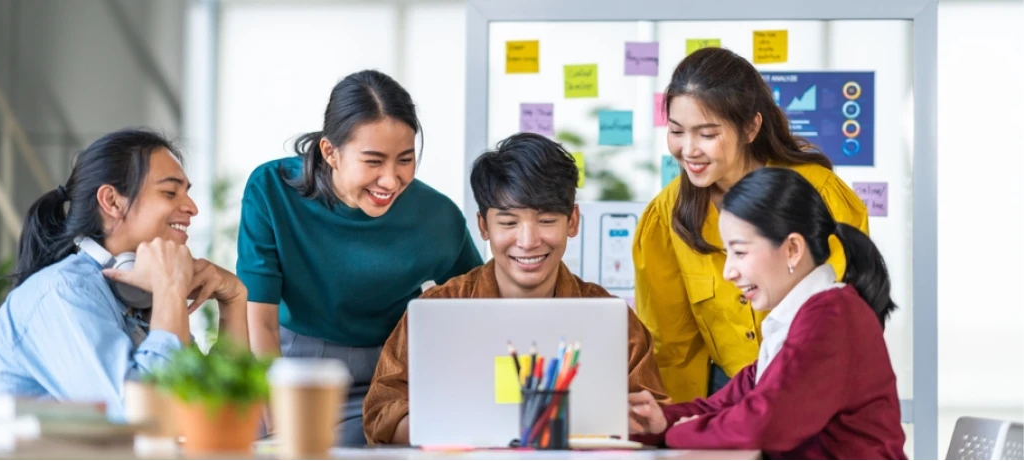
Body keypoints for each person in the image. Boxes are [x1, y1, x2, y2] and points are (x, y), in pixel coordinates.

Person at [362, 132, 671, 446]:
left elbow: (654, 417)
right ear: (483, 226)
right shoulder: (437, 310)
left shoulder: (612, 319)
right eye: (508, 223)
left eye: (547, 220)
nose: (528, 241)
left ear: (573, 221)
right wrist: (449, 431)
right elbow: (381, 412)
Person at [238, 69, 484, 446]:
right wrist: (279, 427)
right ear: (330, 152)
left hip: (384, 379)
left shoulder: (437, 217)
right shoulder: (271, 190)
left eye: (404, 160)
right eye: (373, 161)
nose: (391, 180)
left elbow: (482, 304)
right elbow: (262, 324)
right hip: (287, 369)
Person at [632, 47, 870, 403]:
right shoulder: (666, 215)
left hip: (817, 391)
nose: (689, 150)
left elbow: (848, 316)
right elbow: (673, 350)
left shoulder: (817, 194)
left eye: (707, 134)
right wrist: (676, 430)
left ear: (751, 127)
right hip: (728, 398)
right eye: (677, 131)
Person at [628, 167, 905, 460]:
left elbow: (763, 425)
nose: (728, 272)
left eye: (740, 252)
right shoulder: (796, 321)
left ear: (793, 249)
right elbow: (725, 405)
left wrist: (677, 434)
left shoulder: (831, 316)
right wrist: (658, 421)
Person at [0, 129, 249, 420]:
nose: (191, 208)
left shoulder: (144, 297)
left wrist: (233, 300)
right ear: (112, 201)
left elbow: (221, 420)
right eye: (170, 192)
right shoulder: (63, 292)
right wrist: (171, 289)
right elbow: (142, 417)